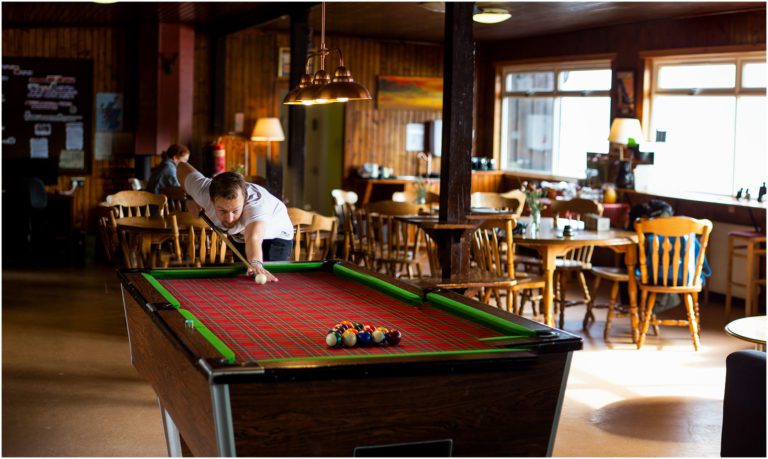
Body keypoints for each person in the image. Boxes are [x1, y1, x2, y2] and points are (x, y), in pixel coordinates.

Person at [177, 162, 293, 282]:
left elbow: (254, 238)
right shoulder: (202, 191)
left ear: (244, 198)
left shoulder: (256, 206)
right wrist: (189, 197)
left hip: (276, 237)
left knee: (266, 280)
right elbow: (181, 167)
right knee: (244, 278)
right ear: (211, 200)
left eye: (235, 210)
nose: (230, 218)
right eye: (222, 211)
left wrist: (256, 263)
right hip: (241, 236)